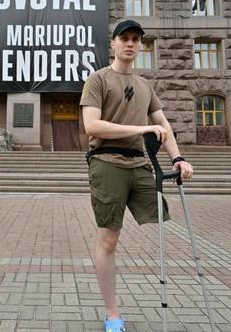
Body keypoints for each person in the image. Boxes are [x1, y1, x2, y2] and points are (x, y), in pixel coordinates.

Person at [79, 19, 194, 332]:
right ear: (113, 44)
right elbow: (93, 126)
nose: (130, 44)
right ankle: (112, 313)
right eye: (124, 38)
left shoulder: (146, 86)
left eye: (135, 39)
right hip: (107, 162)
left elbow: (163, 125)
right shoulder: (98, 79)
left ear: (140, 46)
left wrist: (179, 157)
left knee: (162, 220)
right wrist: (142, 129)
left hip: (139, 164)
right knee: (109, 239)